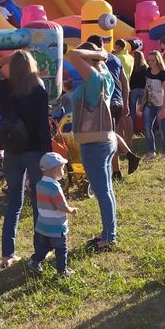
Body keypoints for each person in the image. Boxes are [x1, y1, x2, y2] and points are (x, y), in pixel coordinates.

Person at [0, 52, 46, 268]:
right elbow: (42, 126)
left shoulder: (6, 87)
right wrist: (46, 153)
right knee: (39, 203)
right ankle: (40, 250)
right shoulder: (38, 90)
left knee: (14, 204)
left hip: (12, 150)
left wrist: (4, 60)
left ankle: (7, 254)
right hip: (34, 151)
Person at [67, 43, 118, 252]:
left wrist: (100, 53)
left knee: (103, 192)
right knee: (107, 191)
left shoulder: (95, 78)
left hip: (93, 143)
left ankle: (108, 238)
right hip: (106, 139)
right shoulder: (105, 76)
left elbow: (72, 54)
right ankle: (109, 233)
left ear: (89, 60)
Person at [86, 35, 140, 179]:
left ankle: (127, 157)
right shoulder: (115, 59)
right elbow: (125, 82)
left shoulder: (95, 60)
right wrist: (126, 102)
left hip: (106, 101)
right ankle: (117, 170)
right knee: (111, 135)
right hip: (117, 100)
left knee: (108, 135)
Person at [25, 152, 76, 277]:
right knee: (61, 249)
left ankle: (34, 261)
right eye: (62, 168)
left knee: (46, 247)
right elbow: (61, 206)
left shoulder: (39, 184)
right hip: (56, 226)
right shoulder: (54, 187)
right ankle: (62, 271)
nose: (63, 171)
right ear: (54, 170)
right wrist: (71, 210)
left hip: (43, 225)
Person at [142, 50, 165, 160]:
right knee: (147, 128)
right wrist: (142, 102)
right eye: (149, 60)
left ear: (158, 60)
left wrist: (163, 109)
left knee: (163, 130)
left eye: (153, 60)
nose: (150, 62)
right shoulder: (148, 71)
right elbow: (146, 88)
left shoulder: (163, 74)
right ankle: (151, 152)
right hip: (150, 103)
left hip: (161, 104)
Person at [128, 49, 147, 130]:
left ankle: (132, 128)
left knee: (133, 110)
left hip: (134, 89)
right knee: (143, 109)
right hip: (143, 89)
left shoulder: (132, 66)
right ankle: (144, 127)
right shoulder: (145, 67)